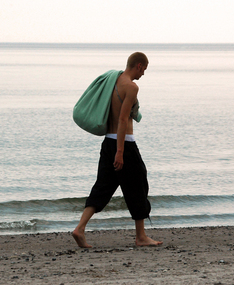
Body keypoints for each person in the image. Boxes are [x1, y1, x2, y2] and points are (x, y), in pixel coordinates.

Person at [72, 52, 163, 248]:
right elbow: (123, 119)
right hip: (124, 144)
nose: (143, 74)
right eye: (144, 70)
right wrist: (120, 152)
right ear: (138, 66)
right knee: (138, 184)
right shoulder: (131, 87)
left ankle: (79, 228)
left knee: (103, 186)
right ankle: (140, 237)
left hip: (108, 142)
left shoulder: (113, 80)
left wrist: (115, 149)